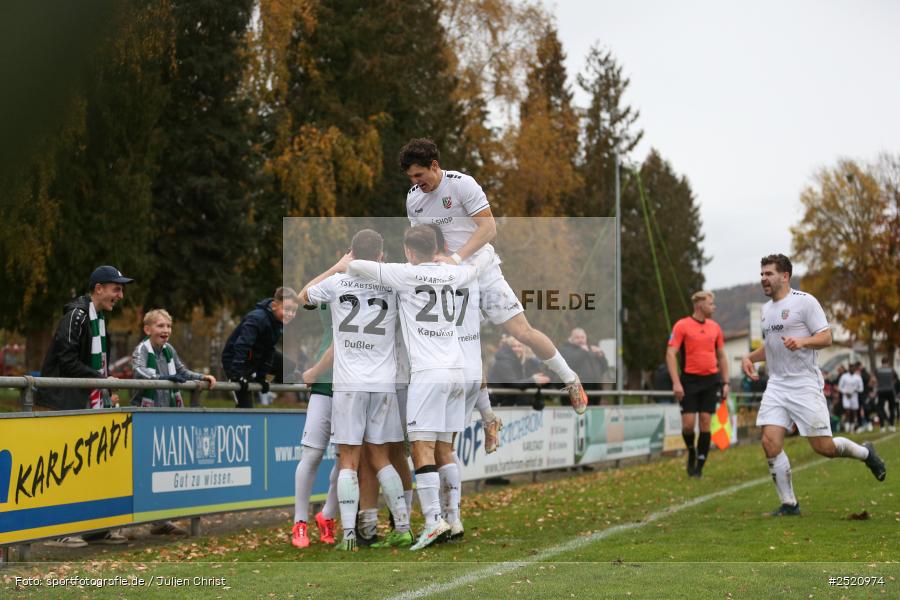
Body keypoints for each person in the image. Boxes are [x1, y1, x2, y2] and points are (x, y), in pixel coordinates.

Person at [400, 138, 589, 414]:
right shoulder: (414, 199)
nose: (417, 182)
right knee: (464, 347)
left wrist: (457, 258)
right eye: (411, 178)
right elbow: (422, 240)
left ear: (435, 165)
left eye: (420, 175)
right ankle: (489, 417)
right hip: (451, 281)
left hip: (482, 269)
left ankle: (570, 379)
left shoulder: (462, 184)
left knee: (521, 332)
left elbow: (489, 229)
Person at [342, 225, 492, 550]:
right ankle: (452, 519)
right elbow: (479, 265)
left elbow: (355, 266)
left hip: (428, 373)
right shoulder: (454, 274)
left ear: (409, 251)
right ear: (436, 247)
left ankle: (434, 520)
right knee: (444, 447)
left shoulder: (404, 274)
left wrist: (352, 259)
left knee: (422, 448)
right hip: (457, 371)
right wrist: (467, 257)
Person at [741, 254, 886, 517]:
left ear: (784, 276)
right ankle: (789, 504)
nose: (763, 278)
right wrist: (750, 358)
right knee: (770, 443)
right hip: (777, 385)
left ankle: (866, 453)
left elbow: (826, 336)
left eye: (769, 273)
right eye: (762, 274)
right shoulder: (766, 311)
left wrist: (803, 342)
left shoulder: (805, 302)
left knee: (825, 448)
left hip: (804, 384)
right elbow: (772, 346)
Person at [300, 229, 412, 551]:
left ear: (351, 252)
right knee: (381, 456)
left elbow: (304, 295)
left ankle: (349, 535)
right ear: (380, 256)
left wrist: (337, 267)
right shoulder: (391, 283)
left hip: (348, 383)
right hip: (383, 383)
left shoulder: (337, 282)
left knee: (348, 458)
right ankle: (402, 527)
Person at [39, 265, 133, 547]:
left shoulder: (100, 320)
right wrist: (103, 380)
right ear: (98, 288)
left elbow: (96, 363)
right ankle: (57, 530)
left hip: (85, 400)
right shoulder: (76, 316)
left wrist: (105, 389)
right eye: (116, 289)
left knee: (90, 463)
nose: (120, 295)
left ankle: (94, 527)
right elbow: (67, 362)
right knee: (63, 466)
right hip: (60, 403)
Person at [131, 308, 216, 536]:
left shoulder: (169, 350)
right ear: (147, 329)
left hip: (168, 416)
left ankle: (160, 520)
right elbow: (139, 372)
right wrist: (164, 378)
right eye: (160, 326)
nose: (165, 330)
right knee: (140, 469)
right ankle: (126, 522)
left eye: (168, 326)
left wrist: (200, 377)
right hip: (146, 417)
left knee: (163, 470)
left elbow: (181, 371)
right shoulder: (142, 349)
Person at [289, 305, 340, 549]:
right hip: (325, 385)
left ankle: (327, 515)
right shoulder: (336, 286)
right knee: (312, 454)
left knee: (347, 460)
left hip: (357, 386)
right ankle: (299, 522)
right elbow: (302, 297)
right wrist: (338, 266)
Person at [666, 291, 729, 478]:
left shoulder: (715, 327)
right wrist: (676, 383)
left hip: (711, 380)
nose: (714, 307)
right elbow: (670, 354)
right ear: (700, 305)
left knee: (705, 421)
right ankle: (692, 451)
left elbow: (722, 355)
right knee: (688, 424)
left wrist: (725, 381)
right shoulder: (682, 325)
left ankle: (700, 465)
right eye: (711, 303)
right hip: (689, 381)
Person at [221, 287, 299, 408]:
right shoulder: (257, 318)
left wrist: (261, 377)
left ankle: (267, 385)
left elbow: (269, 350)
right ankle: (244, 385)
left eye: (294, 311)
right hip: (236, 361)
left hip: (255, 358)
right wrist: (237, 374)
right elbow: (242, 345)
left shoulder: (278, 322)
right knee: (246, 407)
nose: (290, 314)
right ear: (274, 306)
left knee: (288, 366)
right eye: (287, 309)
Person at [488, 335, 550, 407]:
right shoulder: (504, 361)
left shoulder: (519, 362)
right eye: (513, 346)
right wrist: (533, 380)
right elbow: (513, 384)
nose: (517, 349)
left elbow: (521, 383)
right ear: (509, 348)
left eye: (519, 346)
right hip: (496, 403)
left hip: (507, 403)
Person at [559, 327, 607, 399]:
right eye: (577, 337)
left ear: (586, 338)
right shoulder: (566, 349)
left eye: (582, 337)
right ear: (571, 339)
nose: (580, 339)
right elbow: (570, 363)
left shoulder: (592, 349)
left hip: (595, 389)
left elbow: (604, 368)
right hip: (576, 390)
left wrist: (601, 356)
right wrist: (582, 351)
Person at [874, 356, 899, 432]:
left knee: (880, 408)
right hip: (890, 390)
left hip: (881, 391)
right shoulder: (891, 369)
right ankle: (891, 425)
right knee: (892, 408)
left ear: (881, 362)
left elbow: (874, 379)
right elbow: (896, 379)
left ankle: (882, 426)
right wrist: (891, 383)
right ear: (887, 362)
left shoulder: (877, 370)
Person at [837, 363, 863, 433]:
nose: (851, 369)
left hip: (854, 397)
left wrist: (854, 391)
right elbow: (839, 387)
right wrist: (845, 392)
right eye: (850, 368)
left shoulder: (858, 377)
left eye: (853, 368)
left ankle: (853, 427)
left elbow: (861, 388)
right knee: (847, 411)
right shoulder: (844, 376)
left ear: (854, 369)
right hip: (846, 396)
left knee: (853, 412)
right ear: (848, 369)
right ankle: (847, 427)